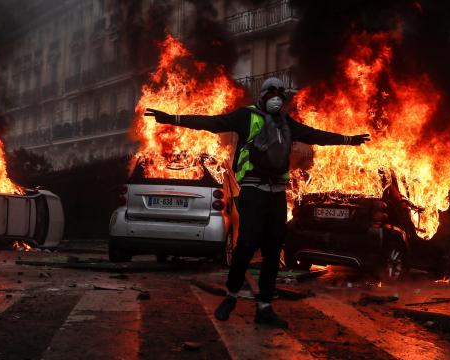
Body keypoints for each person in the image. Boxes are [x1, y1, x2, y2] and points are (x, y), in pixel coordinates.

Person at [145, 77, 369, 329]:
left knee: (273, 249)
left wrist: (348, 140)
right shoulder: (245, 116)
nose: (276, 98)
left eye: (280, 95)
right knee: (247, 244)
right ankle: (231, 295)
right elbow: (211, 123)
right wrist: (172, 119)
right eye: (271, 93)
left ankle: (264, 307)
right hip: (253, 189)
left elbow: (316, 135)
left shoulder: (286, 123)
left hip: (276, 193)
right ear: (262, 96)